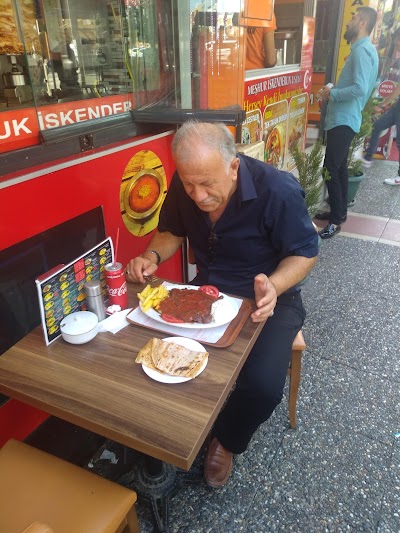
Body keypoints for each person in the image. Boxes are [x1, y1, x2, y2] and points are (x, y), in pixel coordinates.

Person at [125, 121, 319, 488]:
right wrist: (151, 254)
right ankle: (176, 426)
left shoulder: (277, 190)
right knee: (153, 355)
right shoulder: (190, 183)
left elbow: (306, 253)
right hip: (209, 292)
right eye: (188, 184)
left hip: (270, 298)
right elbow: (171, 231)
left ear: (233, 167)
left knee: (262, 387)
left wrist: (273, 286)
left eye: (208, 184)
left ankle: (227, 440)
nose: (198, 196)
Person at [315, 6, 378, 239]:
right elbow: (369, 85)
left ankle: (335, 221)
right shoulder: (367, 50)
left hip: (344, 118)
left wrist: (332, 94)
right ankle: (338, 213)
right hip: (347, 117)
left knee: (330, 168)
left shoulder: (362, 51)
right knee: (338, 167)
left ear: (362, 23)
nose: (348, 22)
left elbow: (360, 88)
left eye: (352, 18)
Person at [360, 82, 400, 185]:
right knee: (377, 126)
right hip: (397, 107)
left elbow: (398, 89)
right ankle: (368, 157)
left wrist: (382, 105)